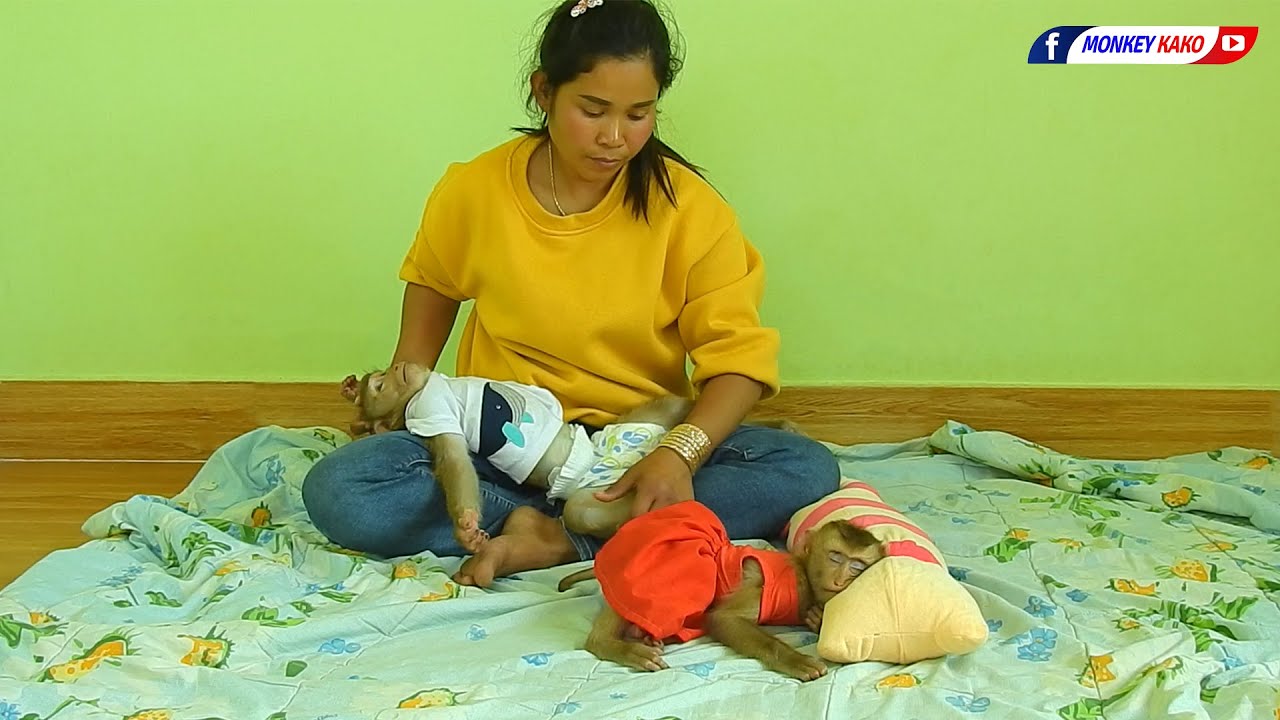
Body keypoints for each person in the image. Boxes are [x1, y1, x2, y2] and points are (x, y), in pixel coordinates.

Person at [301, 0, 839, 588]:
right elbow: (434, 284)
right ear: (544, 92)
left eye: (639, 114)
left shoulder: (691, 210)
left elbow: (738, 361)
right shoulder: (475, 190)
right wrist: (400, 401)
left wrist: (679, 454)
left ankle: (558, 537)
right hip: (501, 449)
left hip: (633, 449)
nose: (615, 138)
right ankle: (586, 526)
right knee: (341, 489)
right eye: (593, 110)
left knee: (803, 468)